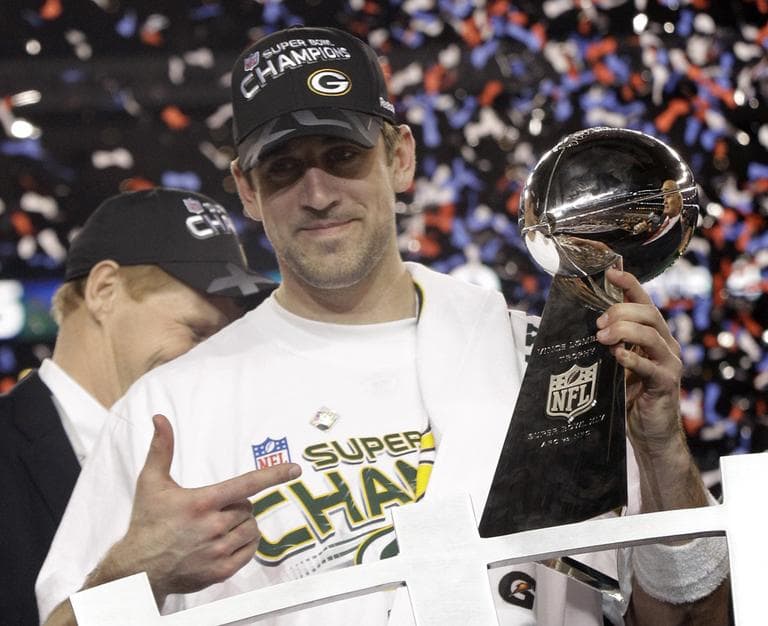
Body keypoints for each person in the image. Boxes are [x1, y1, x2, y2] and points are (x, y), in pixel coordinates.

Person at [36, 27, 729, 626]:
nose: (316, 193)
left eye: (343, 156)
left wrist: (663, 451)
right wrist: (134, 574)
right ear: (247, 190)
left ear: (399, 157)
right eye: (282, 169)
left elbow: (687, 614)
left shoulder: (545, 364)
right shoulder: (168, 413)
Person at [0, 186, 274, 625]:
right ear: (104, 289)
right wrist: (140, 571)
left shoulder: (220, 450)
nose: (214, 357)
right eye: (198, 331)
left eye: (226, 337)